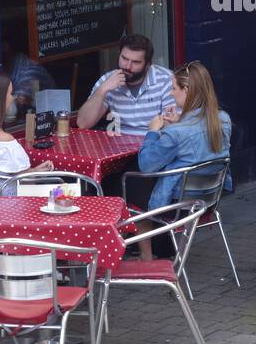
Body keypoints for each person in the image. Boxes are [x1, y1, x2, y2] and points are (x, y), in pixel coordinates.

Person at [133, 62, 233, 260]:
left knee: (129, 185)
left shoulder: (175, 133)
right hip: (210, 198)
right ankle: (171, 253)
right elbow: (199, 140)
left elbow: (146, 165)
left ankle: (146, 256)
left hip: (180, 203)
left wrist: (152, 131)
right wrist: (181, 121)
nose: (171, 94)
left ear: (186, 90)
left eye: (173, 88)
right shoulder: (223, 119)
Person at [76, 33, 174, 135]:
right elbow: (83, 123)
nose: (127, 66)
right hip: (119, 148)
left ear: (148, 64)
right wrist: (103, 89)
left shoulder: (166, 80)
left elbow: (171, 127)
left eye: (135, 62)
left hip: (153, 145)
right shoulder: (108, 80)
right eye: (124, 58)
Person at [1, 36, 53, 114]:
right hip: (27, 119)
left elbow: (20, 101)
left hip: (50, 120)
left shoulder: (29, 68)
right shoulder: (3, 67)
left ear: (5, 46)